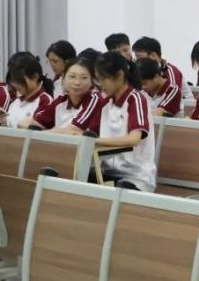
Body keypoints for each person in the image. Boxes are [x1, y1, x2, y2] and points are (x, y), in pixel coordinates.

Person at [53, 53, 156, 191]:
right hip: (107, 173)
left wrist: (94, 141)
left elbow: (134, 139)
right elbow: (89, 132)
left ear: (119, 76)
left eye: (103, 79)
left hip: (134, 177)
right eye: (98, 79)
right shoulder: (106, 103)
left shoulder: (135, 99)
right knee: (68, 181)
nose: (101, 85)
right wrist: (77, 136)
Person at [27, 57, 100, 129]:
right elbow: (36, 123)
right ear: (63, 78)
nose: (77, 82)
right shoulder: (60, 101)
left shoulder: (95, 100)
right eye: (72, 76)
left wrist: (45, 133)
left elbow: (73, 130)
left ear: (92, 81)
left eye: (84, 78)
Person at [0, 56, 52, 128]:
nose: (15, 84)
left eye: (19, 81)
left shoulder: (45, 101)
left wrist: (9, 122)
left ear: (35, 77)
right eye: (13, 80)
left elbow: (35, 128)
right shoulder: (15, 102)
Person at [131, 36, 190, 101]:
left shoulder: (170, 71)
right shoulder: (141, 71)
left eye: (139, 57)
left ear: (153, 55)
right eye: (136, 58)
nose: (137, 61)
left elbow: (171, 97)